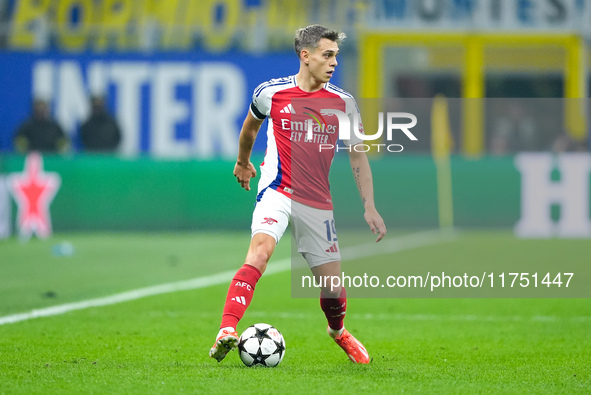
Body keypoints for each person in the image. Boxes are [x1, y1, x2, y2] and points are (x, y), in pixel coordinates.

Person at [209, 25, 387, 364]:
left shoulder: (343, 103)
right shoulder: (271, 93)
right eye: (327, 55)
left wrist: (370, 206)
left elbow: (357, 154)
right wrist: (243, 163)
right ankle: (227, 330)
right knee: (259, 254)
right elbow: (250, 127)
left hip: (317, 202)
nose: (333, 62)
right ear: (305, 56)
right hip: (277, 190)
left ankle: (338, 332)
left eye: (335, 55)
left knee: (333, 287)